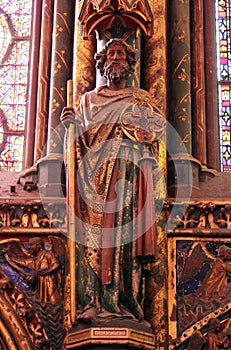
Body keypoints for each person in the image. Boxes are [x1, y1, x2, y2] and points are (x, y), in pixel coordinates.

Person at [61, 38, 166, 323]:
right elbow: (80, 143)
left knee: (123, 241)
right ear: (102, 62)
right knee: (93, 240)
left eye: (121, 53)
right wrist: (71, 125)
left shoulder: (141, 99)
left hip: (128, 181)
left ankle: (123, 301)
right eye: (111, 53)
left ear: (130, 63)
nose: (116, 58)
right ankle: (92, 300)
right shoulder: (88, 99)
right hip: (94, 180)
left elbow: (155, 139)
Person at [4, 237, 61, 303]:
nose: (29, 247)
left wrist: (48, 271)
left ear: (38, 245)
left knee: (52, 299)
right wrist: (8, 255)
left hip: (49, 281)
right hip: (41, 281)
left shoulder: (47, 254)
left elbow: (56, 264)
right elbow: (23, 262)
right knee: (43, 299)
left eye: (31, 245)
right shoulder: (36, 258)